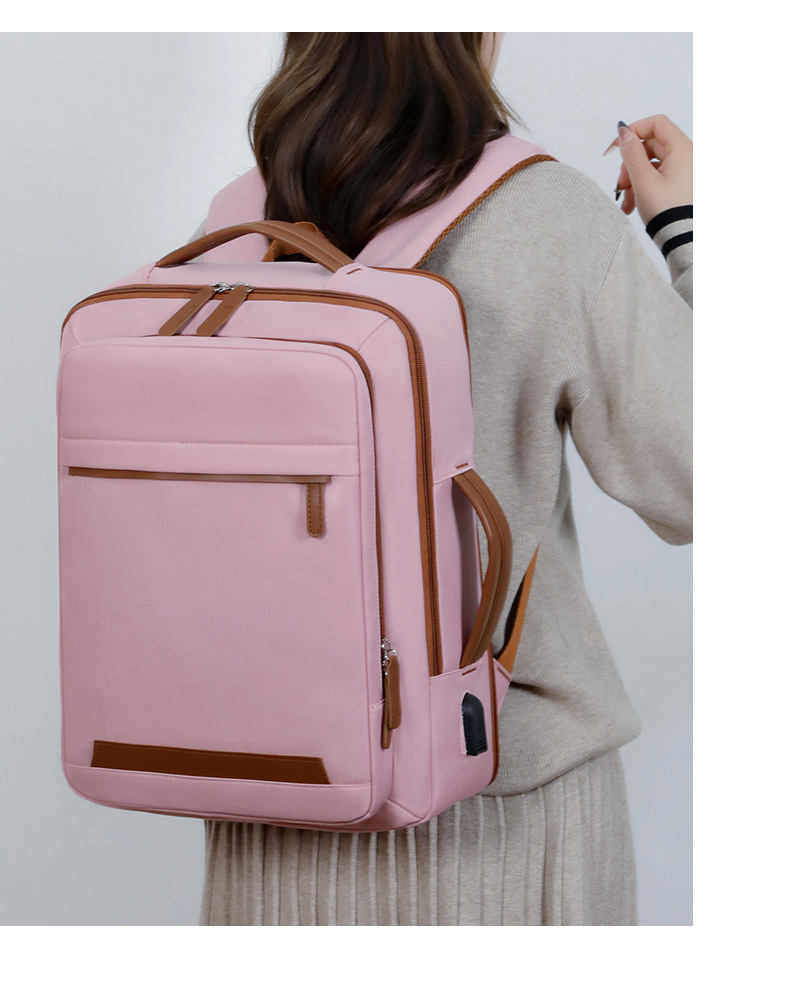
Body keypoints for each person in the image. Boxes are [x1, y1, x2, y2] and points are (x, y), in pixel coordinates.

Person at [197, 32, 692, 926]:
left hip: (271, 811)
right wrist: (690, 232)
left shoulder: (234, 233)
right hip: (504, 825)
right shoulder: (547, 216)